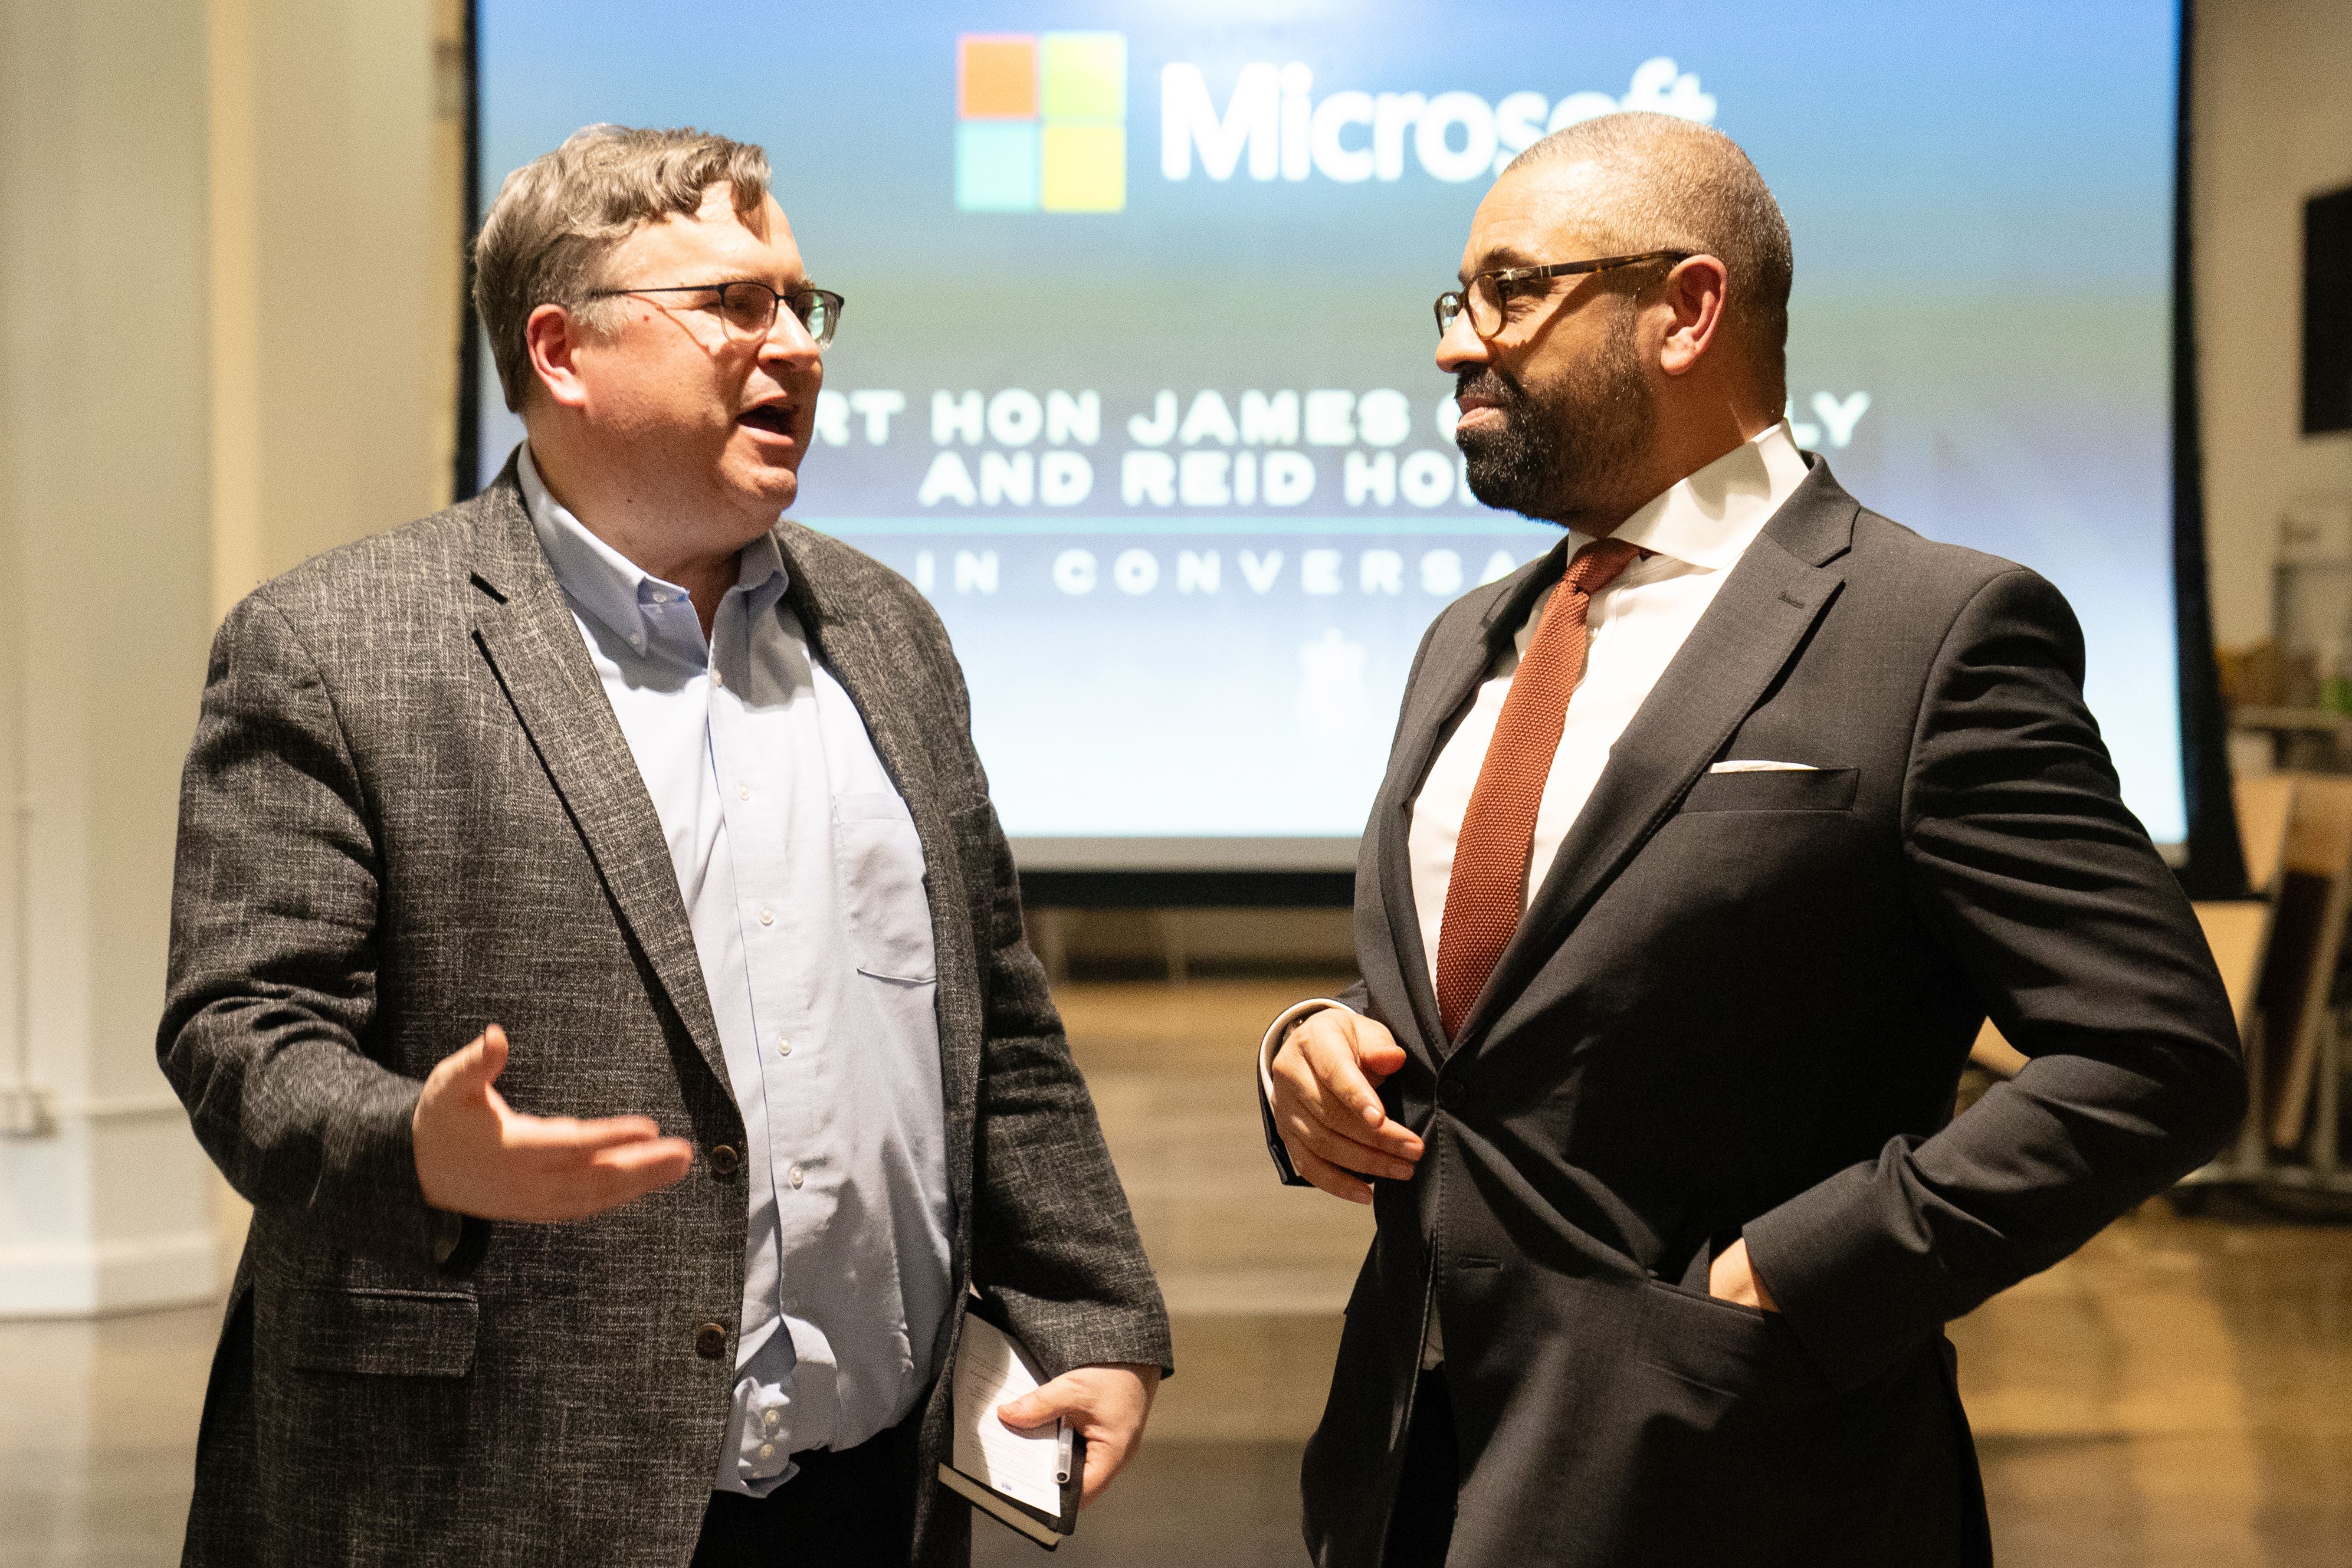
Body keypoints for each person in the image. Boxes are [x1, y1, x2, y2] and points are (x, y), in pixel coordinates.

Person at [160, 123, 1167, 1568]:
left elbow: (989, 1015)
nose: (796, 349)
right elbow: (237, 1031)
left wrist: (1089, 1309)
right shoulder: (334, 646)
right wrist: (419, 1149)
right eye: (734, 306)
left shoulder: (885, 633)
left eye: (800, 305)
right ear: (563, 352)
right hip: (497, 1491)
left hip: (861, 1492)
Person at [1257, 111, 2245, 1568]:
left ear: (1686, 310)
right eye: (1455, 301)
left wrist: (1793, 1276)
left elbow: (2154, 1058)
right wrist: (1318, 1048)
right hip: (1413, 1466)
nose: (1457, 344)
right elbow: (1538, 989)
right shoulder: (1470, 638)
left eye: (1511, 292)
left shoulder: (1930, 632)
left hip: (1737, 1476)